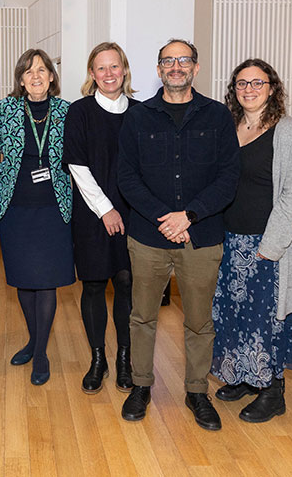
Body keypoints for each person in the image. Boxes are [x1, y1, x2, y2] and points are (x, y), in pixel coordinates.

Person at [117, 39, 240, 431]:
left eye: (183, 60)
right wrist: (162, 217)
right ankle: (141, 386)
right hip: (148, 235)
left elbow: (228, 178)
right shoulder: (138, 118)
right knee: (142, 316)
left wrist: (188, 215)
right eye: (168, 61)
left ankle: (196, 391)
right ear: (158, 69)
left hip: (201, 235)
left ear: (196, 68)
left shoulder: (218, 116)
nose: (175, 67)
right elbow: (127, 177)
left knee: (200, 321)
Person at [210, 59, 292, 423]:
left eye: (257, 83)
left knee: (266, 319)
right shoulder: (229, 126)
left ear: (272, 87)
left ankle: (272, 390)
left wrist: (270, 246)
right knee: (234, 315)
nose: (249, 89)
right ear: (234, 89)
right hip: (229, 239)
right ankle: (243, 375)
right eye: (242, 83)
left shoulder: (287, 132)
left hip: (269, 244)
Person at [0, 48, 74, 385]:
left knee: (47, 281)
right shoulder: (6, 109)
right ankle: (32, 339)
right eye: (28, 72)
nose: (36, 76)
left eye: (42, 70)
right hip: (15, 207)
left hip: (55, 208)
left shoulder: (67, 111)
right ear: (20, 80)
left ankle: (40, 353)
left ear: (52, 77)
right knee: (24, 280)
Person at [62, 42, 138, 394]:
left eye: (115, 66)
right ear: (92, 74)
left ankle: (124, 358)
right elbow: (77, 166)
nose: (109, 74)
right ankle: (98, 359)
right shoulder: (79, 112)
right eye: (101, 68)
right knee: (93, 285)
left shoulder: (141, 113)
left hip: (134, 216)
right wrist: (105, 209)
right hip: (93, 214)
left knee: (126, 284)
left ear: (124, 70)